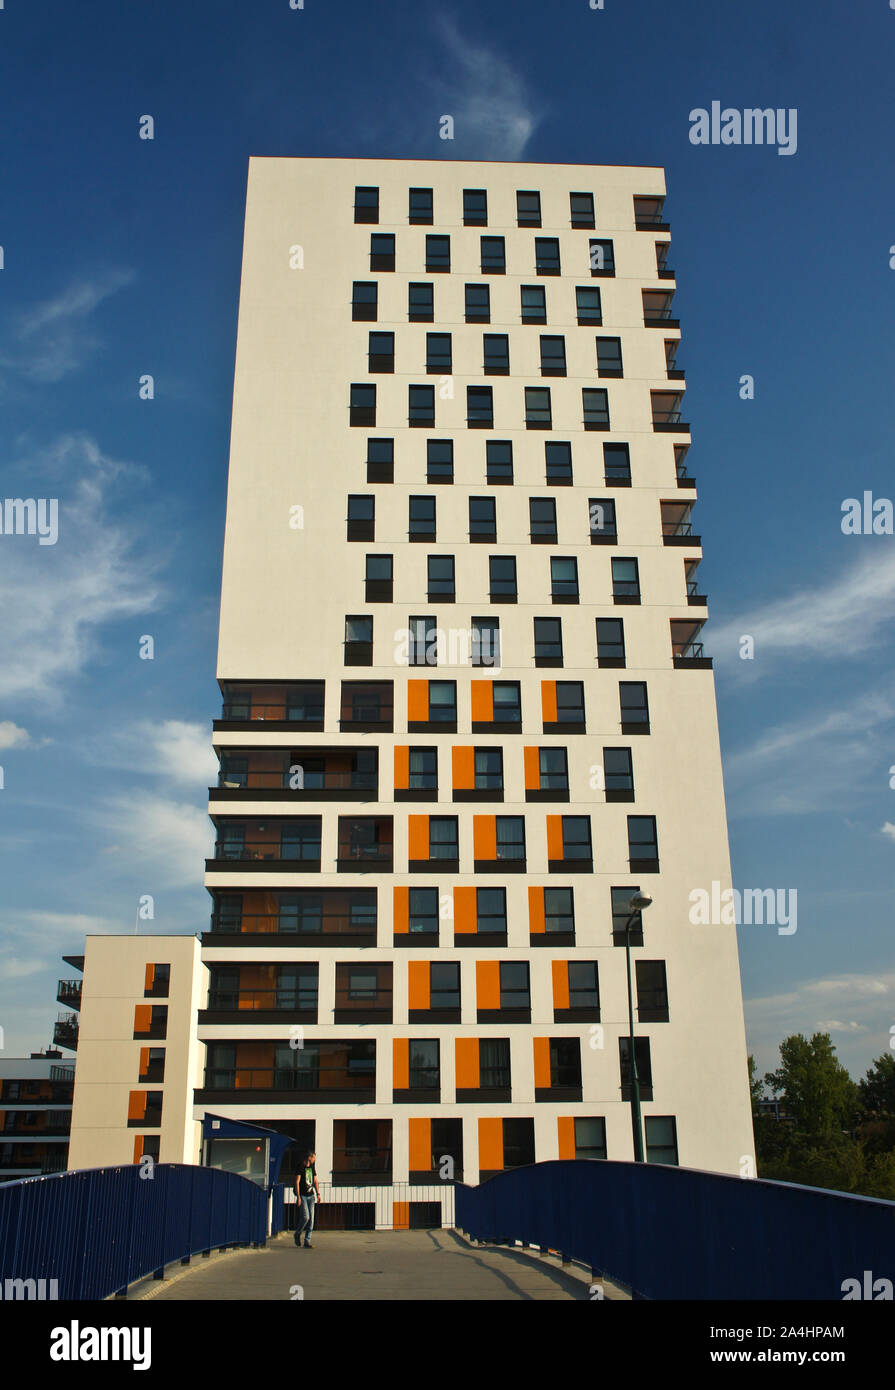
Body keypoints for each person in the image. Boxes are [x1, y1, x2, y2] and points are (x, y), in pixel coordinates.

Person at [294, 1150, 320, 1248]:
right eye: (314, 1158)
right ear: (309, 1157)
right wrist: (298, 1197)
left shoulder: (312, 1167)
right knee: (306, 1217)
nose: (314, 1160)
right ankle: (297, 1233)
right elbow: (297, 1182)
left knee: (311, 1220)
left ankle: (307, 1241)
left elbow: (315, 1180)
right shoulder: (301, 1166)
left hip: (311, 1195)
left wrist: (318, 1193)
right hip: (303, 1196)